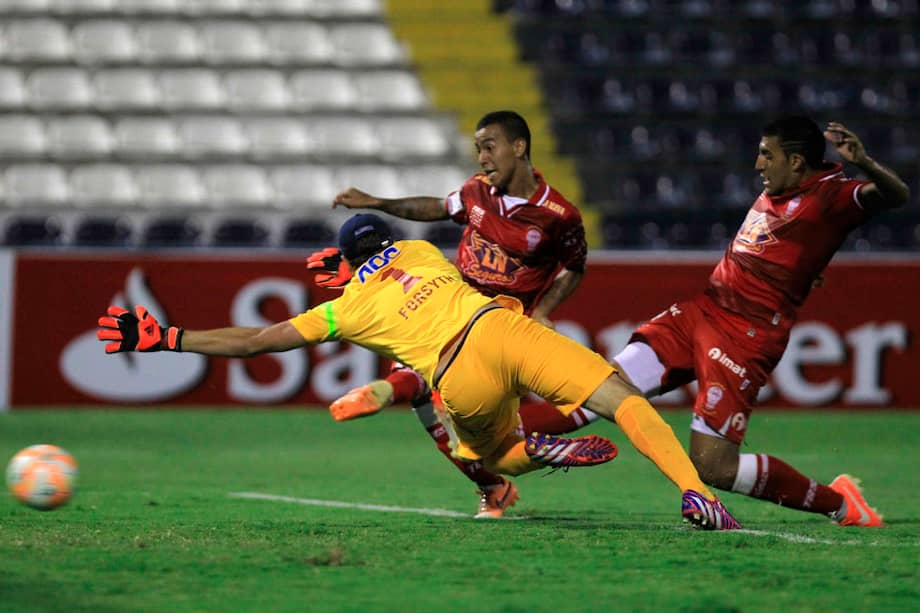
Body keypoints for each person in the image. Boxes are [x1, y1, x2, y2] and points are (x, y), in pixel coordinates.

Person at [97, 213, 741, 530]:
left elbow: (256, 343)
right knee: (624, 398)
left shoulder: (342, 309)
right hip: (500, 326)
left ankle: (535, 454)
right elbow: (383, 255)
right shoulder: (420, 247)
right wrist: (353, 264)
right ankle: (699, 495)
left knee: (498, 458)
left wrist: (170, 337)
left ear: (346, 265)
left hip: (459, 376)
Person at [610, 117, 910, 527]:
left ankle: (840, 504)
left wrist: (867, 163)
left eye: (768, 154)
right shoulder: (780, 189)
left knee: (714, 467)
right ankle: (501, 462)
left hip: (747, 334)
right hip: (708, 310)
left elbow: (896, 195)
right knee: (602, 382)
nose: (757, 164)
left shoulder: (830, 196)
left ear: (797, 161)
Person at [327, 110, 601, 517]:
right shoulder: (477, 192)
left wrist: (542, 310)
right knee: (447, 417)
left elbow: (574, 266)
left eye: (488, 147)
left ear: (519, 147)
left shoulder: (559, 215)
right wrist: (378, 202)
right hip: (456, 307)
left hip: (502, 325)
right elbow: (437, 207)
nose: (481, 157)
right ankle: (496, 485)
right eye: (477, 149)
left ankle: (391, 395)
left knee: (474, 428)